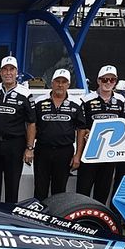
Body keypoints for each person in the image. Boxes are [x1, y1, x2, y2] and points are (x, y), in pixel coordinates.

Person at [0, 55, 34, 203]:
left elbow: (31, 123)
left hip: (15, 145)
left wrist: (29, 148)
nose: (8, 73)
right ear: (0, 72)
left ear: (16, 72)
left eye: (11, 69)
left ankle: (10, 218)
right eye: (5, 69)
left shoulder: (25, 93)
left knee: (12, 184)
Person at [30, 69, 83, 200]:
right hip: (43, 150)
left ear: (68, 84)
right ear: (52, 83)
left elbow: (81, 129)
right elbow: (32, 126)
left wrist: (78, 155)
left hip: (64, 152)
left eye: (64, 82)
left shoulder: (77, 103)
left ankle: (56, 217)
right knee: (40, 188)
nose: (60, 85)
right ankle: (37, 218)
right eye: (57, 82)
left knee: (59, 190)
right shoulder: (39, 101)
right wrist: (29, 148)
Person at [75, 65, 125, 203]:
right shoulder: (86, 100)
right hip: (90, 153)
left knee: (102, 194)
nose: (108, 82)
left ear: (115, 81)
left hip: (109, 155)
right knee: (82, 192)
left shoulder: (121, 101)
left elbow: (124, 125)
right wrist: (87, 133)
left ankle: (98, 222)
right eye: (105, 79)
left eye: (112, 80)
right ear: (98, 81)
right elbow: (80, 127)